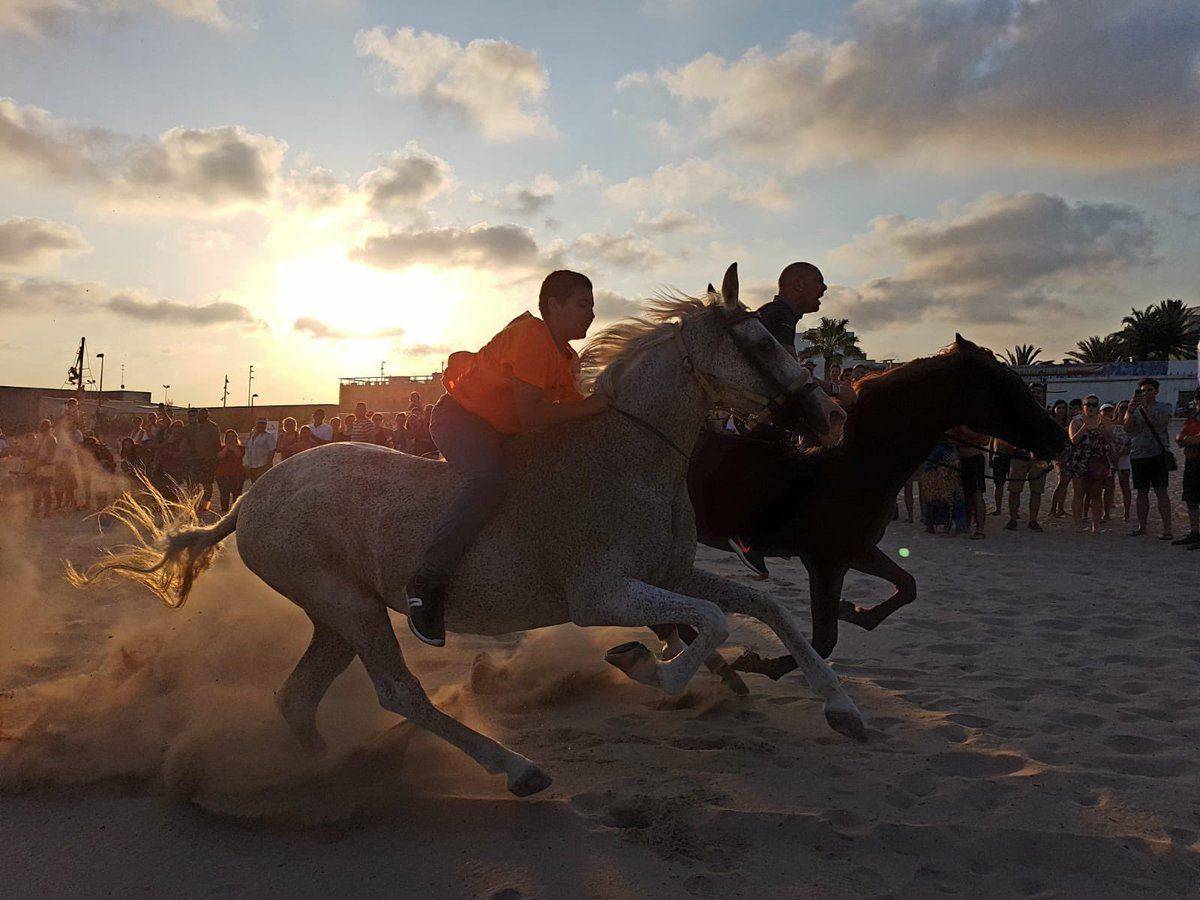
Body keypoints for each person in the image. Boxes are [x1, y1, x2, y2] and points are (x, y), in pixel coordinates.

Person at [405, 269, 609, 647]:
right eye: (584, 305)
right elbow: (535, 414)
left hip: (502, 431)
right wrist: (598, 406)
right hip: (461, 419)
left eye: (593, 306)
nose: (592, 314)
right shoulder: (532, 336)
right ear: (553, 305)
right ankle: (427, 583)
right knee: (489, 482)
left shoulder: (567, 359)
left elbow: (570, 415)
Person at [1123, 377, 1175, 539]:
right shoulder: (1134, 409)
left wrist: (1146, 409)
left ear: (1156, 391)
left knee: (1161, 491)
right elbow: (1128, 428)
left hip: (1157, 454)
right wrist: (1130, 412)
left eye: (1149, 390)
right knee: (1141, 492)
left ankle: (1167, 529)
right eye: (1143, 390)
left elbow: (1160, 424)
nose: (1146, 393)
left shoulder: (1164, 407)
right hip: (1138, 454)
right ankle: (1142, 526)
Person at [755, 262, 826, 358]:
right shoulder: (779, 314)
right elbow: (787, 362)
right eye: (819, 282)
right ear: (798, 284)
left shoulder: (779, 312)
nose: (824, 288)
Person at [1068, 395, 1116, 535]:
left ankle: (1096, 525)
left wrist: (1102, 429)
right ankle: (1078, 524)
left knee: (1096, 494)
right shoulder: (1076, 421)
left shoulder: (1103, 421)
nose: (1090, 407)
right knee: (1079, 493)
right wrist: (1084, 426)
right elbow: (1073, 440)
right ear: (1083, 406)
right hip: (1080, 460)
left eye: (1094, 405)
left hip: (1098, 461)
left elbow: (1110, 439)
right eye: (1088, 404)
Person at [918, 436, 967, 534]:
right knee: (934, 495)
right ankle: (935, 524)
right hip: (939, 462)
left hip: (945, 462)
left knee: (948, 495)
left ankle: (953, 524)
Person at [950, 425, 988, 538]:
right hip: (961, 459)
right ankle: (966, 525)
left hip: (974, 458)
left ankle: (980, 529)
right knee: (966, 494)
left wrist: (966, 432)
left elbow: (985, 440)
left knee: (977, 493)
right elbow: (950, 437)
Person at [1173, 403, 1200, 548]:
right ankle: (1195, 533)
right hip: (1192, 462)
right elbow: (1179, 437)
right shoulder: (1192, 418)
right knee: (1191, 498)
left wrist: (1187, 439)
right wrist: (1187, 439)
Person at [1047, 400, 1073, 517]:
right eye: (1059, 408)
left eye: (1063, 408)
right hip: (1060, 455)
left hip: (1070, 454)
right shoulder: (1051, 423)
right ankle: (1053, 509)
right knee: (1061, 482)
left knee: (1065, 483)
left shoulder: (1069, 422)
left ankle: (1060, 508)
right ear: (1054, 409)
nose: (1061, 410)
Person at [214, 428, 244, 512]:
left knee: (237, 495)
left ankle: (235, 513)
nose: (231, 438)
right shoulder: (221, 448)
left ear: (236, 437)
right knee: (224, 495)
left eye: (233, 436)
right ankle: (224, 512)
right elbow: (219, 456)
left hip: (237, 475)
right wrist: (227, 447)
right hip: (223, 475)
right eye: (229, 436)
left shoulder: (241, 447)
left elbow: (239, 455)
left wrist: (233, 447)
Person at [1112, 399, 1133, 520]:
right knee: (1108, 485)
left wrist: (1120, 453)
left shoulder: (1130, 424)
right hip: (1111, 456)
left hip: (1124, 457)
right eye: (1121, 407)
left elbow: (1131, 443)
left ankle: (1127, 512)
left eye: (1126, 407)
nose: (1123, 409)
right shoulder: (1111, 422)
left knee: (1124, 485)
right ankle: (1107, 511)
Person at [31, 419, 56, 518]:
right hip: (39, 466)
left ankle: (47, 512)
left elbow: (52, 454)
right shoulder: (39, 438)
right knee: (37, 489)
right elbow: (36, 451)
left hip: (47, 467)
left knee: (46, 489)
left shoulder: (51, 439)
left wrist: (44, 461)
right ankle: (36, 510)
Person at [243, 419, 277, 484]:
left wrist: (267, 465)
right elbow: (248, 451)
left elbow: (272, 450)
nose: (261, 426)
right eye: (260, 424)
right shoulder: (251, 437)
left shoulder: (268, 436)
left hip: (262, 466)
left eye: (263, 424)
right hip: (252, 467)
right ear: (256, 425)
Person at [990, 436, 1015, 516]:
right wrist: (991, 457)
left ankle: (1012, 510)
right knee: (999, 484)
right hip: (1000, 455)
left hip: (1009, 455)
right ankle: (998, 508)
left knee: (1013, 486)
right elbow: (992, 441)